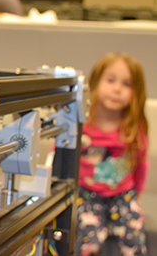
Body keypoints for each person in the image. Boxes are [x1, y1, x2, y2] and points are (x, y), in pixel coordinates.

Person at [77, 52, 148, 256]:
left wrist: (138, 197)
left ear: (136, 93)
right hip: (87, 193)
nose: (117, 89)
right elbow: (61, 156)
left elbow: (141, 164)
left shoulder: (133, 128)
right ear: (95, 83)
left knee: (134, 239)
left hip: (123, 194)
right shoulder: (83, 124)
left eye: (127, 84)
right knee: (88, 242)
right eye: (110, 80)